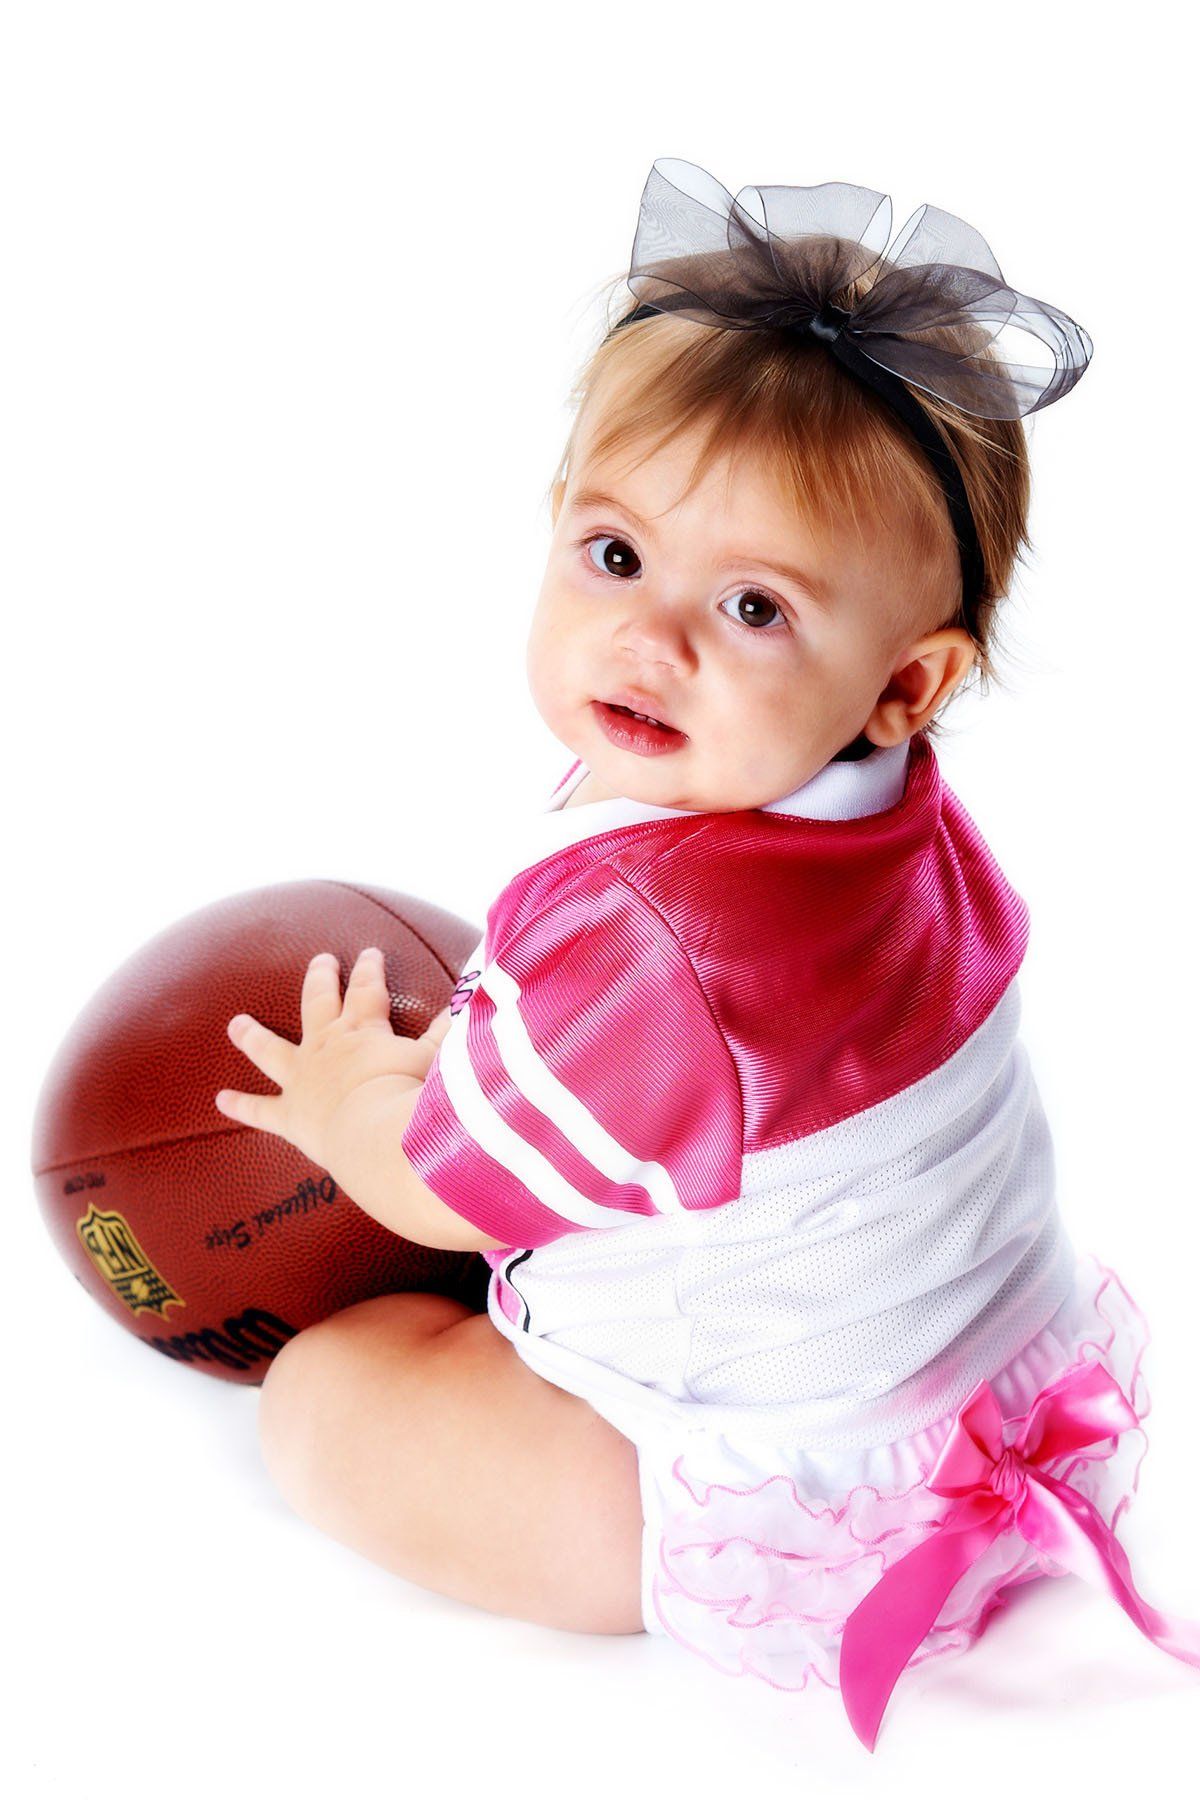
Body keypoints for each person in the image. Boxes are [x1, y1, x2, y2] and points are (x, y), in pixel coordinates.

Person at [214, 159, 1200, 1751]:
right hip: (993, 1398)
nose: (649, 637)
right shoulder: (898, 829)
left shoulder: (662, 941)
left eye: (752, 607)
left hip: (798, 1498)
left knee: (325, 1402)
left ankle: (603, 1493)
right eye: (614, 557)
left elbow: (421, 1190)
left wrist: (349, 1111)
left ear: (905, 684)